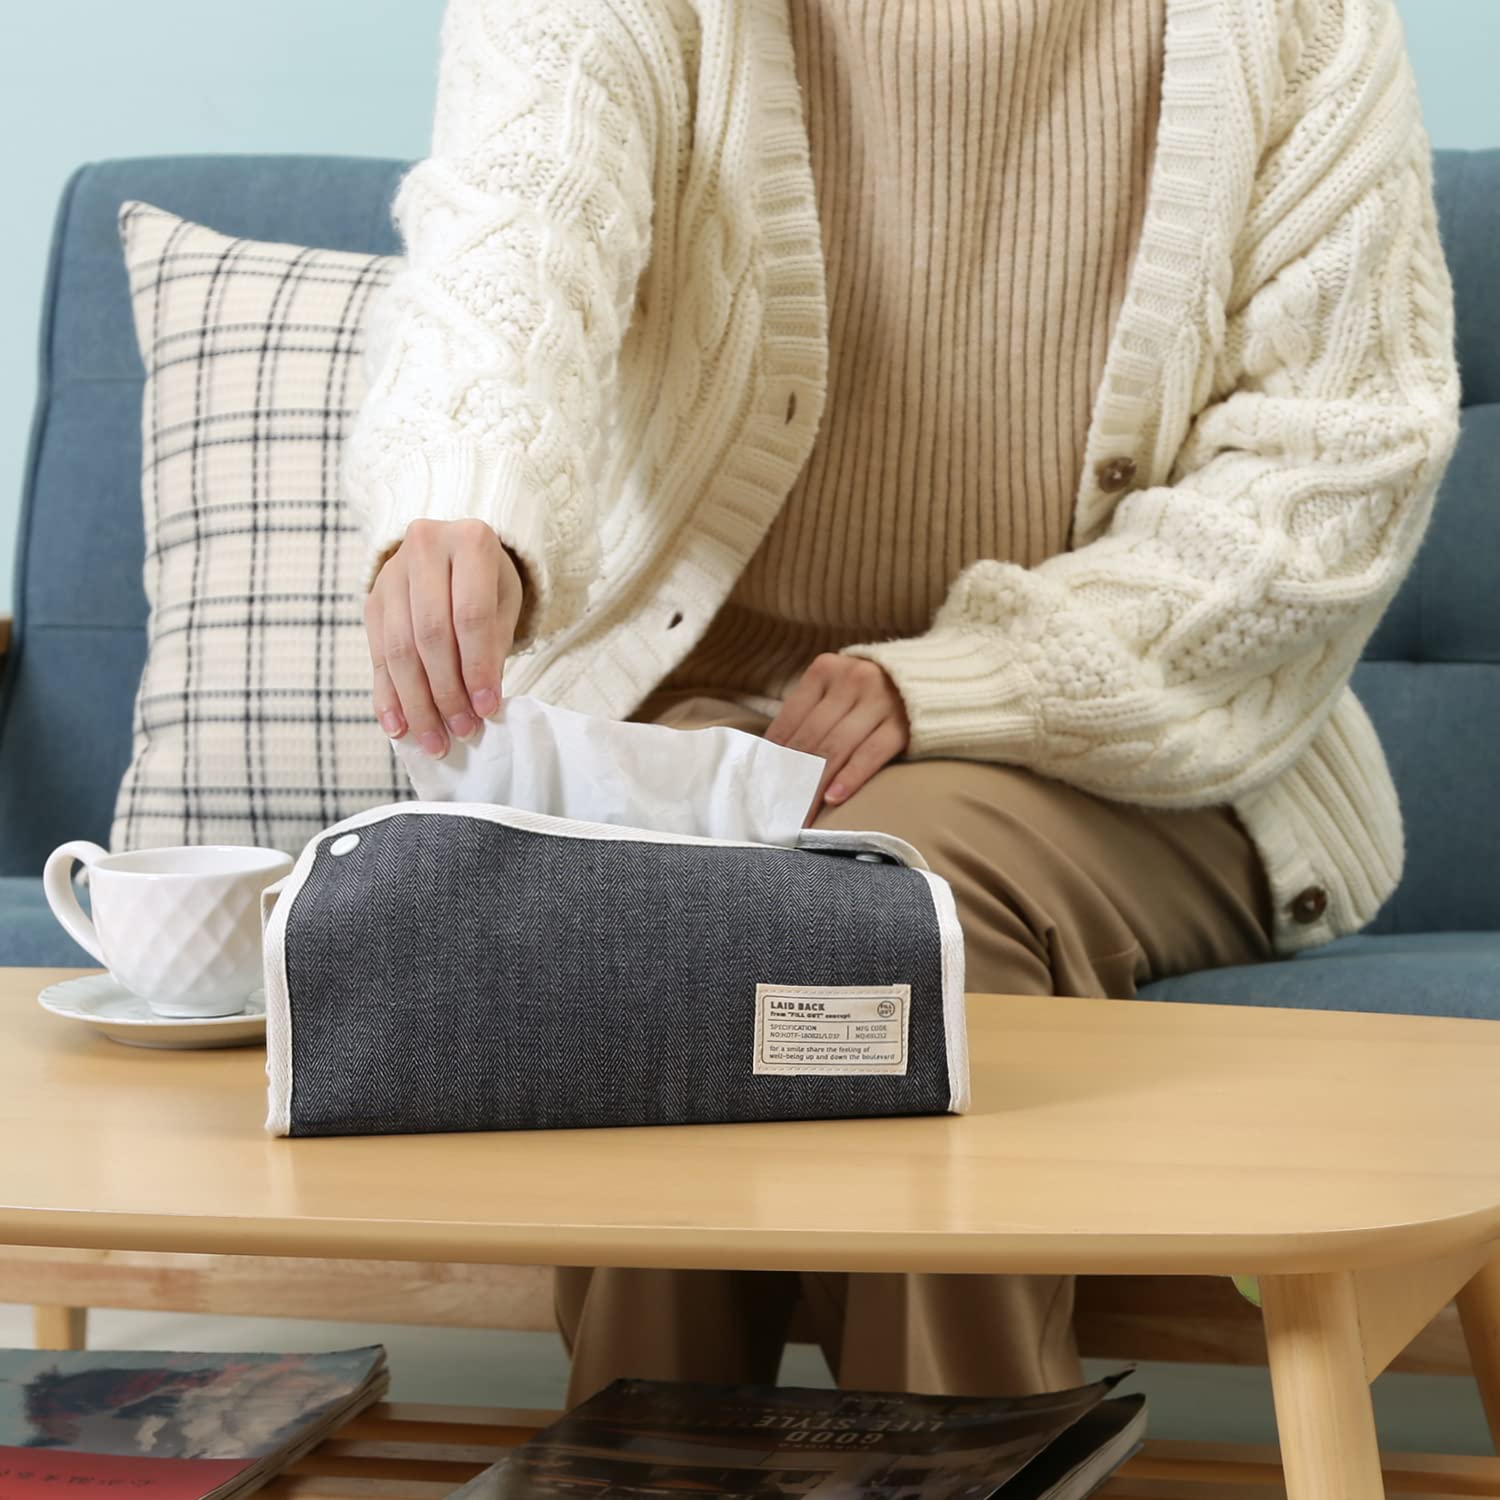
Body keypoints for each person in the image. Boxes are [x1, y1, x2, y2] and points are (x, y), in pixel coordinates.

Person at [342, 0, 1459, 1406]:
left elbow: (1339, 457)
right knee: (653, 887)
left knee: (889, 903)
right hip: (716, 723)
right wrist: (466, 496)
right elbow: (515, 227)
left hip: (1125, 741)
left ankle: (952, 1468)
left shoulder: (1295, 21)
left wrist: (960, 683)